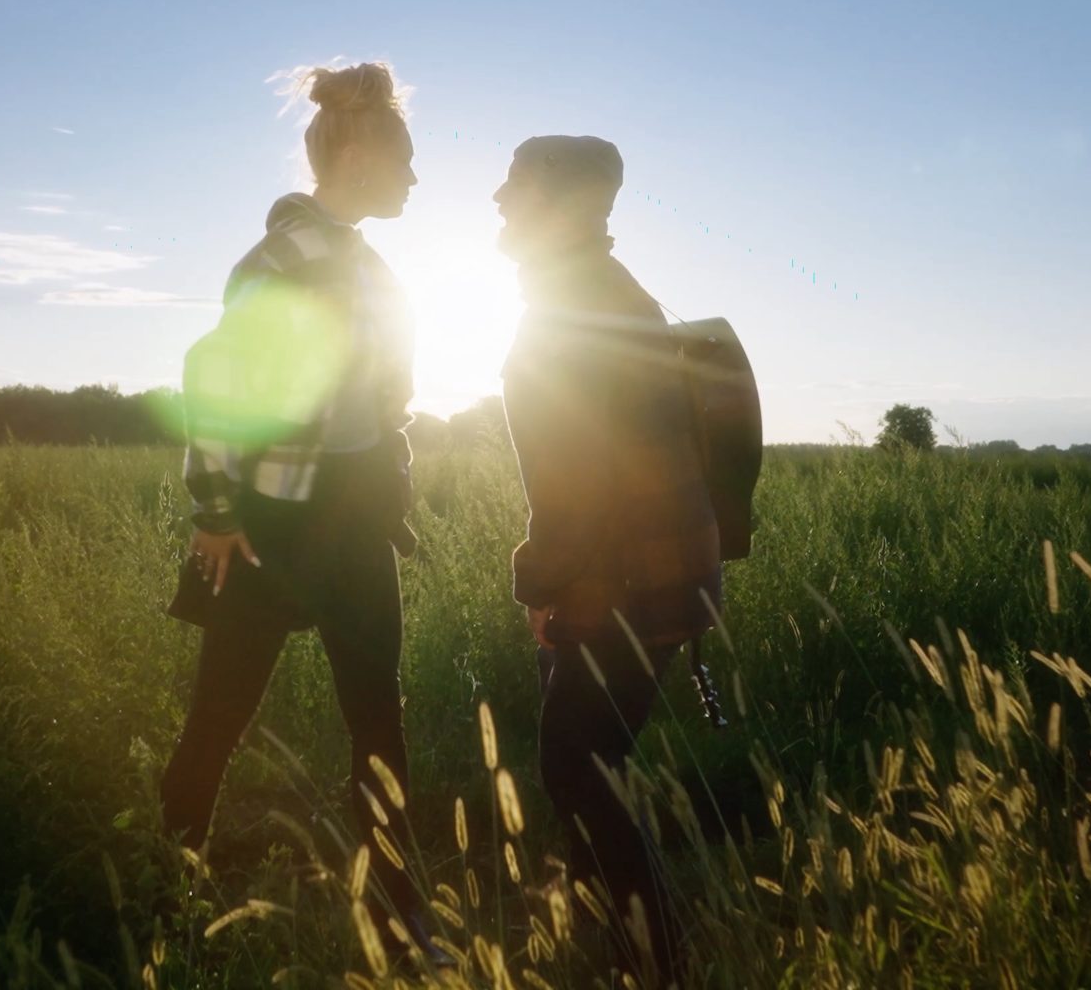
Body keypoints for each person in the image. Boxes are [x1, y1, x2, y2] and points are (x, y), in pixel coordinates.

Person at [159, 61, 438, 959]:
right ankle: (171, 892)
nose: (415, 177)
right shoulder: (280, 258)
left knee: (378, 721)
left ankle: (401, 924)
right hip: (274, 526)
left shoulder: (366, 259)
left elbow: (381, 383)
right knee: (220, 715)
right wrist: (213, 508)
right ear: (356, 152)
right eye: (406, 158)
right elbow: (213, 381)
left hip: (357, 517)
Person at [495, 135, 723, 986]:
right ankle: (623, 951)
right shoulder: (609, 296)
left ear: (563, 205)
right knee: (595, 766)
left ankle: (657, 963)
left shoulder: (574, 308)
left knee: (578, 770)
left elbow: (578, 481)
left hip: (621, 584)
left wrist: (543, 583)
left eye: (514, 184)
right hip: (661, 577)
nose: (496, 198)